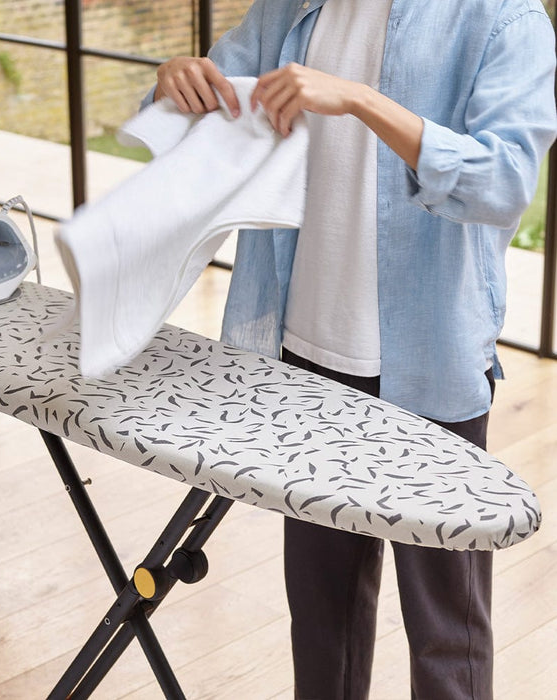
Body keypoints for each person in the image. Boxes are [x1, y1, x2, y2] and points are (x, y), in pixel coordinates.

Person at [148, 1, 557, 698]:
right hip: (307, 359)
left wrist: (364, 101)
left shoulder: (501, 18)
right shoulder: (290, 8)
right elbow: (197, 114)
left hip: (432, 365)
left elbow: (505, 180)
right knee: (322, 617)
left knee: (447, 632)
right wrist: (174, 83)